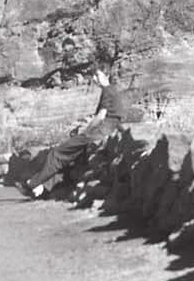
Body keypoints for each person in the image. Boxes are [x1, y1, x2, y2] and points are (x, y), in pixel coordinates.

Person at [24, 67, 131, 198]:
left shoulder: (107, 91)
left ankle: (33, 184)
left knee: (56, 153)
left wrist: (86, 130)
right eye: (95, 77)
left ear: (106, 75)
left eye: (99, 75)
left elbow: (101, 116)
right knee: (70, 156)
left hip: (98, 132)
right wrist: (124, 134)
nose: (96, 79)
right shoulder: (115, 92)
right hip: (107, 131)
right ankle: (44, 188)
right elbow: (117, 118)